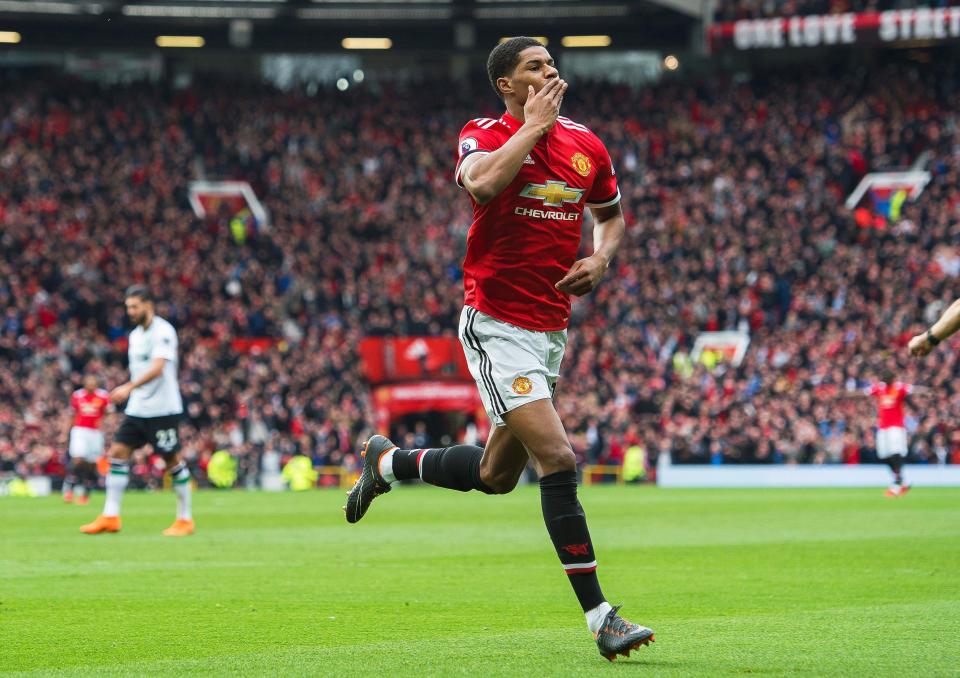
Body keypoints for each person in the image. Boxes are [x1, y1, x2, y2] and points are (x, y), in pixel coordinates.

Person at [344, 37, 653, 661]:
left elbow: (612, 214)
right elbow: (483, 185)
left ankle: (388, 464)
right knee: (559, 458)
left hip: (550, 329)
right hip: (496, 323)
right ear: (507, 85)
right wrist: (532, 130)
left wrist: (601, 256)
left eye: (551, 63)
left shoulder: (586, 143)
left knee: (495, 476)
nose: (550, 71)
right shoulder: (482, 132)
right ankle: (601, 617)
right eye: (534, 66)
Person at [80, 286, 193, 536]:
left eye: (134, 306)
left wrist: (129, 386)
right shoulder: (134, 336)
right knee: (118, 452)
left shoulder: (163, 331)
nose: (130, 311)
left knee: (171, 459)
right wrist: (131, 389)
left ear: (148, 305)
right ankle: (111, 515)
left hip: (163, 409)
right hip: (138, 408)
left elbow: (158, 368)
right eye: (128, 307)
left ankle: (185, 519)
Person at [62, 374, 111, 505]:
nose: (91, 384)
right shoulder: (77, 395)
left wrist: (107, 426)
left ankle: (85, 494)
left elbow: (109, 414)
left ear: (96, 383)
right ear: (84, 383)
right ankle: (69, 489)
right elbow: (71, 415)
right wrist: (64, 433)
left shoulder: (103, 396)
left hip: (96, 433)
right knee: (77, 459)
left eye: (93, 382)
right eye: (88, 382)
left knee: (92, 464)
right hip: (80, 431)